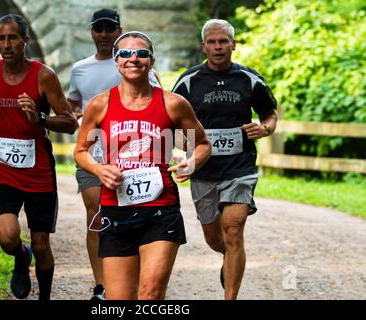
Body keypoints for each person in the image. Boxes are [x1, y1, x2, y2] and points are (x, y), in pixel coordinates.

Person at [74, 31, 211, 300]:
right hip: (116, 210)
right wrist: (99, 168)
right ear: (116, 61)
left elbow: (202, 144)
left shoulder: (173, 104)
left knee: (150, 293)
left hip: (160, 212)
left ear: (151, 60)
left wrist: (191, 163)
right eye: (125, 53)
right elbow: (80, 151)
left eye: (141, 53)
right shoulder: (100, 105)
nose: (133, 58)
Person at [172, 19, 278, 300]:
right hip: (204, 170)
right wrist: (184, 155)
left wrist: (265, 128)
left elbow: (270, 113)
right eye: (212, 42)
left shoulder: (249, 79)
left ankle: (229, 296)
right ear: (203, 46)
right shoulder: (188, 80)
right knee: (215, 239)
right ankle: (228, 257)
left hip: (239, 167)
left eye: (223, 42)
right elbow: (174, 120)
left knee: (233, 231)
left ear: (233, 44)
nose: (218, 47)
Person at [0, 14, 78, 300]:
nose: (7, 44)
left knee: (42, 244)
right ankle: (22, 258)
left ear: (25, 40)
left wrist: (40, 118)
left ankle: (44, 296)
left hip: (39, 171)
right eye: (2, 38)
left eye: (13, 38)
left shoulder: (43, 76)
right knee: (7, 236)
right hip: (4, 167)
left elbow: (70, 123)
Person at [67, 8, 160, 300]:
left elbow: (159, 104)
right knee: (97, 213)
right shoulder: (80, 69)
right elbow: (71, 102)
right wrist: (78, 115)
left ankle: (131, 274)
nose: (104, 34)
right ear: (92, 32)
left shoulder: (136, 63)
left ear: (119, 31)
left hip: (134, 158)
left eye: (110, 28)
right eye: (99, 29)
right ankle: (102, 285)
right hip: (93, 156)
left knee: (133, 214)